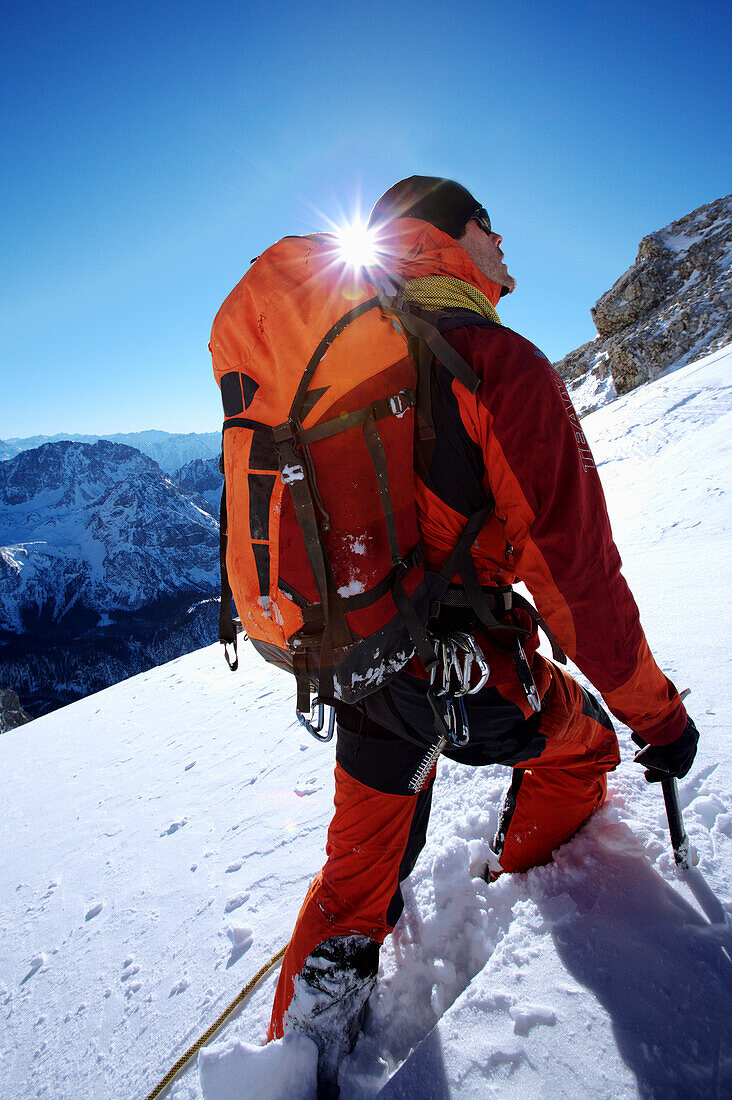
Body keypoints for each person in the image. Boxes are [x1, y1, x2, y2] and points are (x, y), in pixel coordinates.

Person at [267, 176, 699, 1095]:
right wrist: (659, 721)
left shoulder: (359, 365)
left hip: (364, 658)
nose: (508, 247)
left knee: (356, 880)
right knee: (580, 746)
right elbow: (575, 580)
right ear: (450, 238)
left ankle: (291, 1060)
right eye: (491, 228)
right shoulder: (494, 362)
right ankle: (513, 871)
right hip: (473, 672)